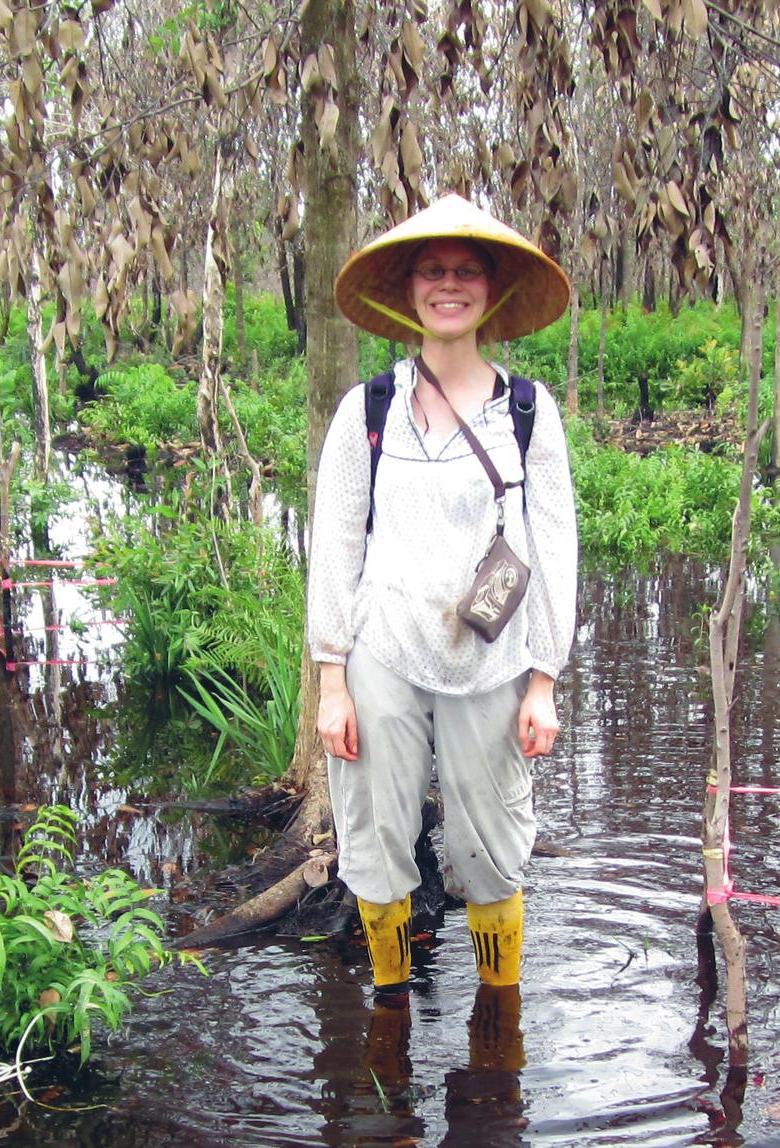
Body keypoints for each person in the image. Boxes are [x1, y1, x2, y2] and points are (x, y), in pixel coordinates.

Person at [308, 192, 577, 998]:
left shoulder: (529, 414)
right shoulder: (369, 411)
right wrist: (332, 682)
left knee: (491, 843)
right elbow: (336, 544)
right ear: (410, 288)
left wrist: (544, 680)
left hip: (492, 662)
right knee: (375, 834)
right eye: (433, 271)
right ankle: (390, 1007)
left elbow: (555, 549)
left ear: (490, 291)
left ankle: (500, 1018)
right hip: (382, 649)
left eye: (466, 271)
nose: (449, 285)